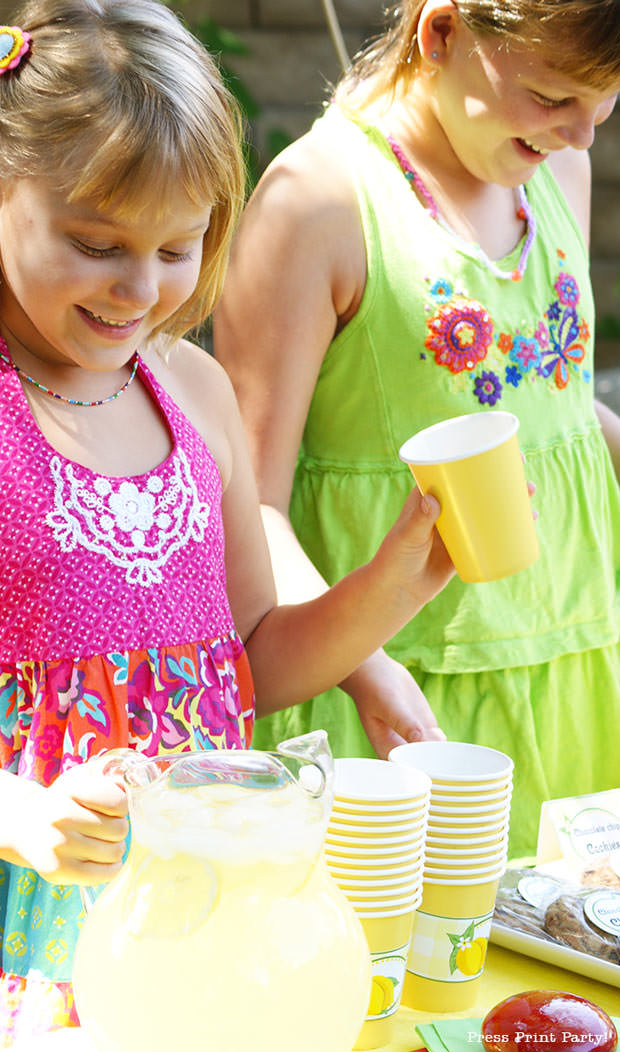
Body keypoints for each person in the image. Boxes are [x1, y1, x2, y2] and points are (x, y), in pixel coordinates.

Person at [0, 1, 455, 1047]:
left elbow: (253, 655)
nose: (142, 289)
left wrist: (399, 579)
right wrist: (22, 816)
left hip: (206, 939)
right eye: (96, 244)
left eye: (179, 246)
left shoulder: (195, 390)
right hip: (7, 937)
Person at [214, 0, 620, 862]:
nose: (584, 136)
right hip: (398, 705)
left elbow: (550, 402)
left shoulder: (555, 169)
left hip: (573, 665)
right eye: (554, 97)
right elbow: (250, 504)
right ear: (441, 34)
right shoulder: (315, 204)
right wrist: (365, 668)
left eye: (605, 101)